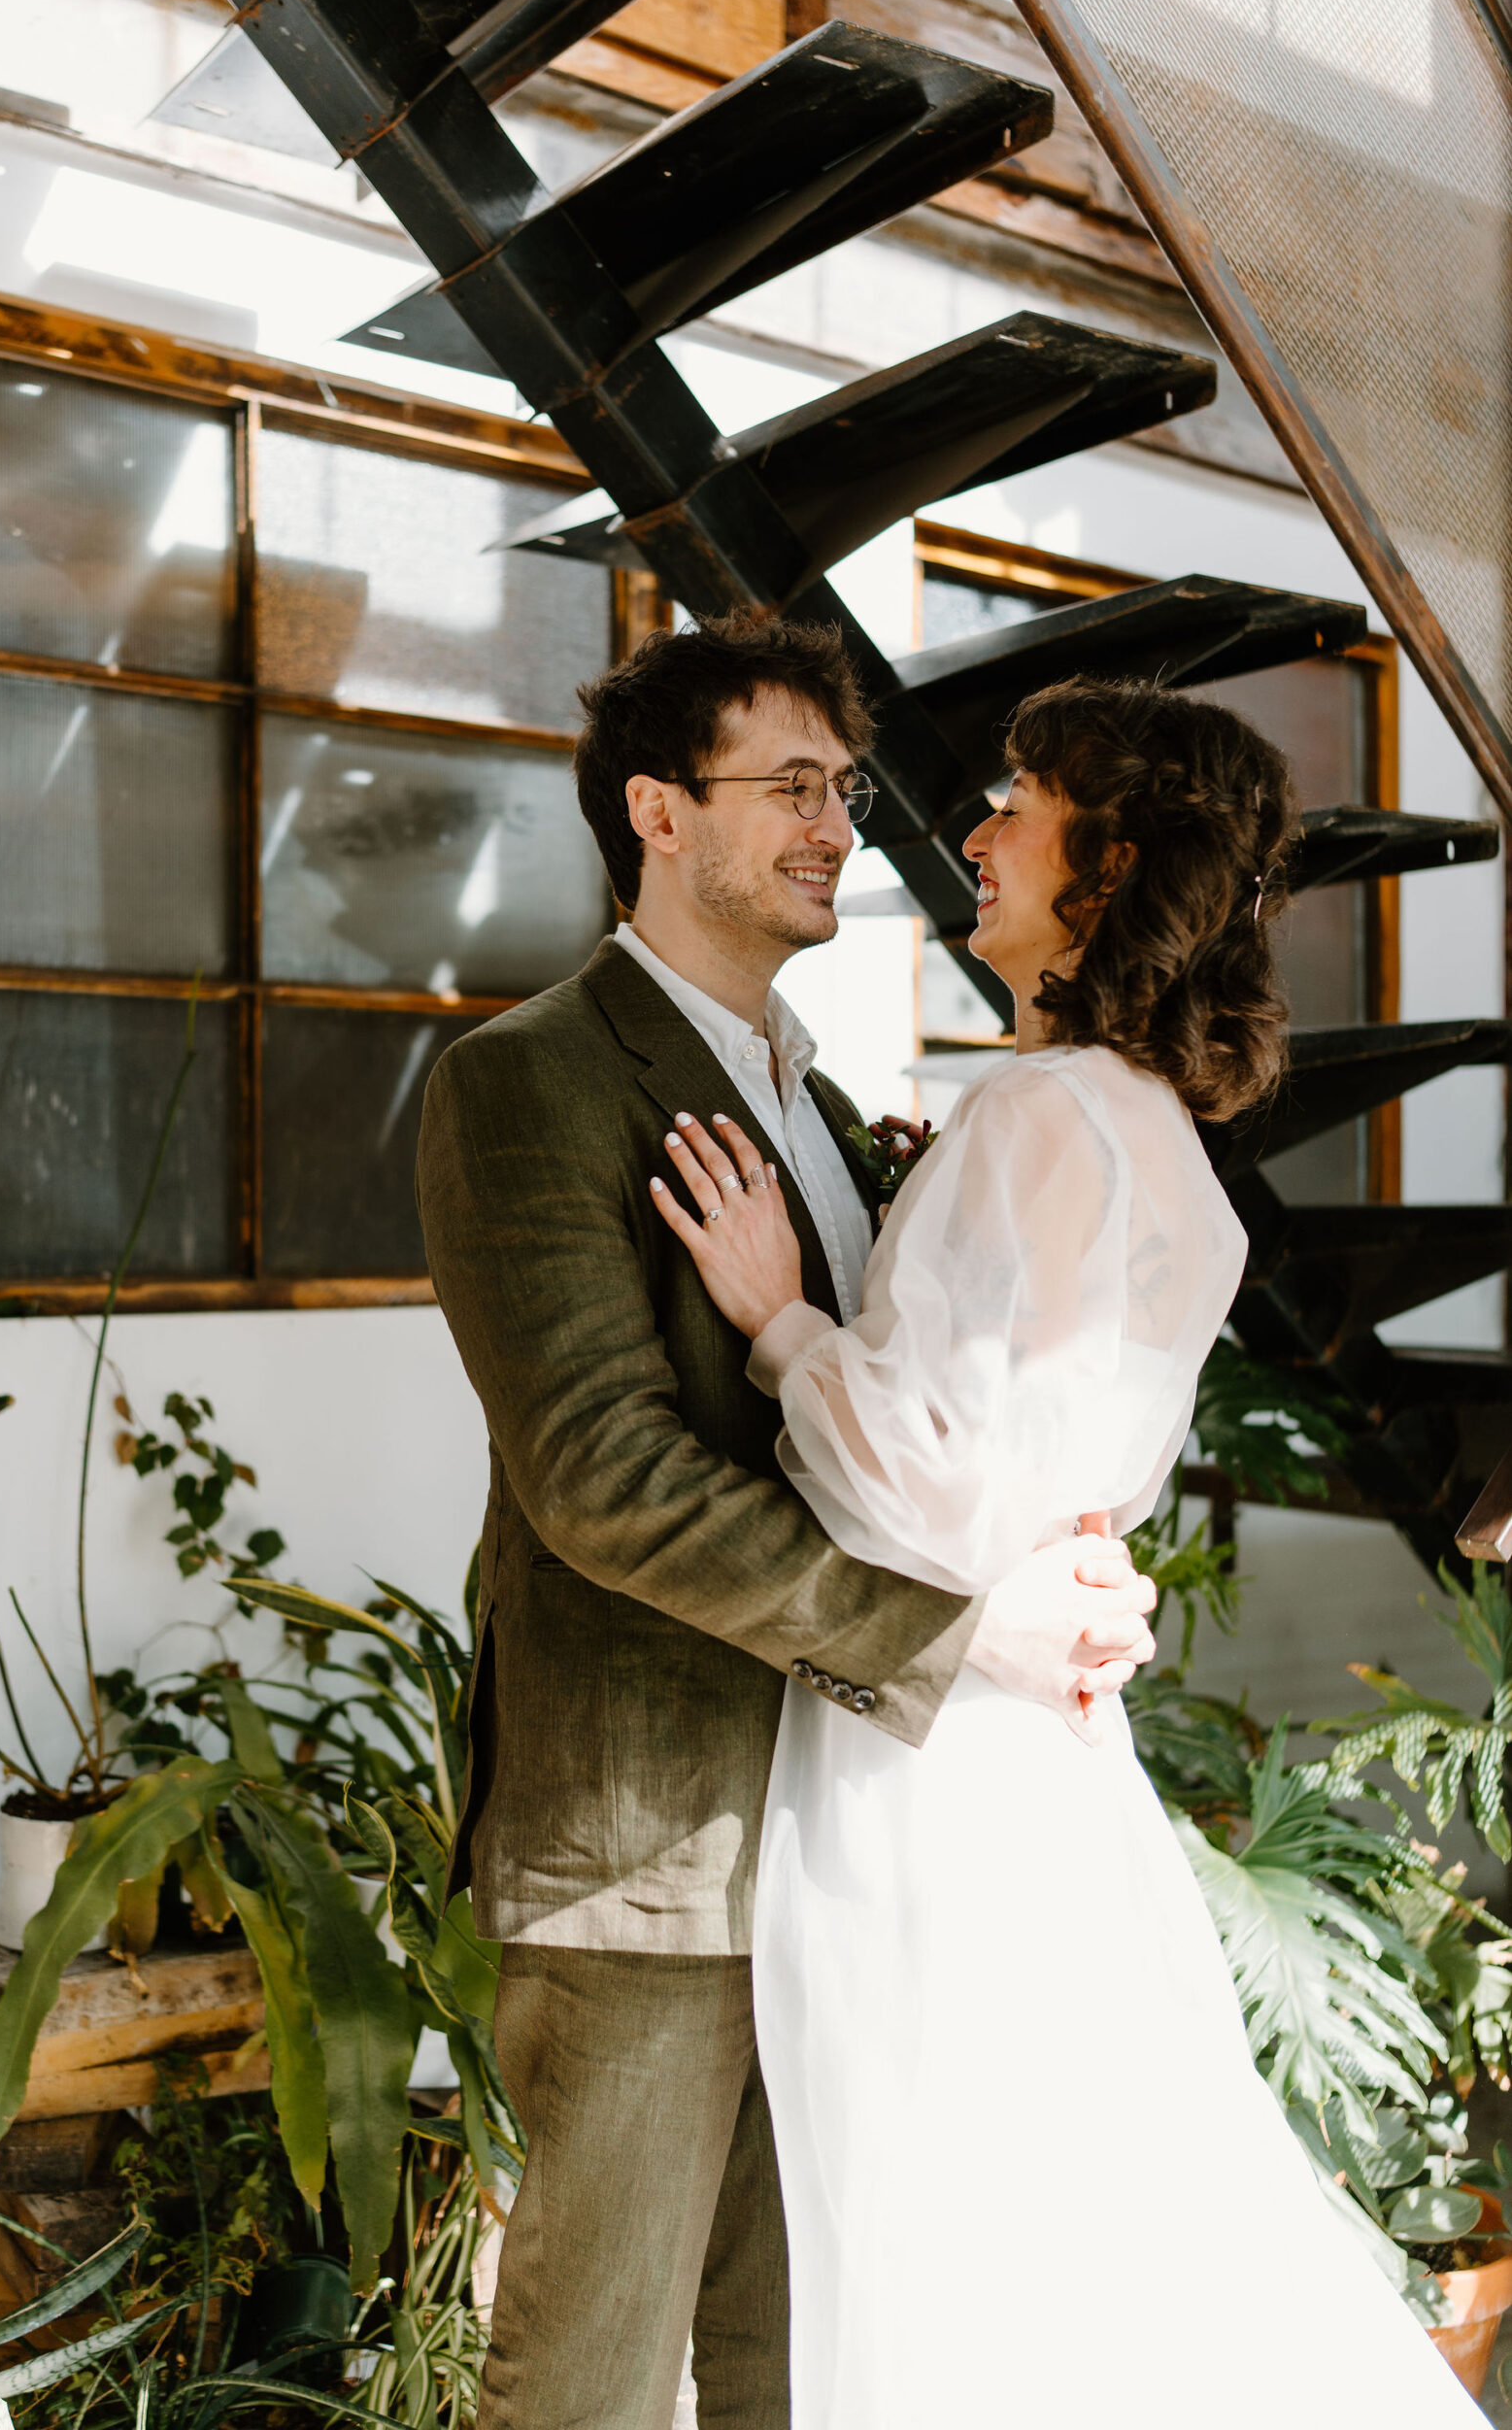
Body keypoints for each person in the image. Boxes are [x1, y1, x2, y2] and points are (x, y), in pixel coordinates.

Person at [652, 674, 1482, 2426]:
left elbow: (927, 1492)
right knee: (1071, 2221)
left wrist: (784, 1320)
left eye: (1019, 803)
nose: (973, 830)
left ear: (1110, 869)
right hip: (1046, 1743)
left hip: (934, 1765)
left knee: (943, 2248)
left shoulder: (1038, 1116)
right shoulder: (1167, 1141)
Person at [415, 619, 1162, 2430]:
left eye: (846, 788)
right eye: (794, 789)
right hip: (649, 1855)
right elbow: (603, 1476)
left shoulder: (820, 1105)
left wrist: (1040, 1553)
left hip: (851, 1849)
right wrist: (954, 1631)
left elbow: (895, 1430)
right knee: (585, 2381)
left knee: (804, 2372)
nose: (841, 826)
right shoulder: (526, 1078)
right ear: (659, 814)